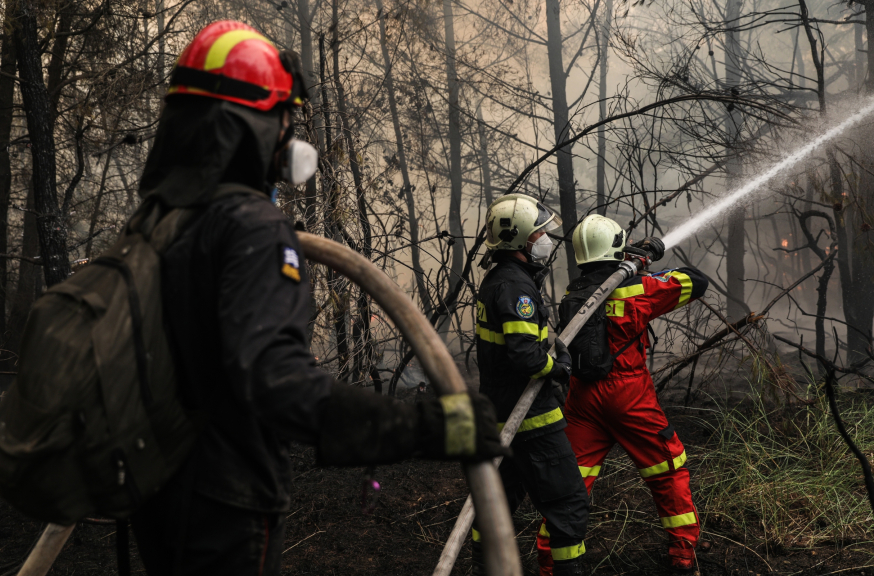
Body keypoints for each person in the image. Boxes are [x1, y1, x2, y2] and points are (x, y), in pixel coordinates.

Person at [130, 20, 506, 576]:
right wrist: (428, 426)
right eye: (284, 117)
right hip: (226, 508)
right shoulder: (249, 227)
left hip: (160, 497)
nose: (290, 135)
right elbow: (275, 381)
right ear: (252, 123)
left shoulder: (158, 224)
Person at [536, 215, 709, 573]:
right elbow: (696, 281)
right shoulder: (638, 289)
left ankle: (550, 563)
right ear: (617, 247)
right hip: (629, 396)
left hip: (582, 399)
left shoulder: (573, 293)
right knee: (668, 468)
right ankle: (682, 553)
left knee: (570, 484)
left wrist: (630, 263)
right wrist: (644, 260)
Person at [472, 194, 590, 576]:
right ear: (521, 239)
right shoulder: (515, 288)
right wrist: (557, 368)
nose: (545, 238)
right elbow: (526, 358)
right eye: (540, 231)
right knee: (568, 502)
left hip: (501, 414)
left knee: (497, 504)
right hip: (530, 419)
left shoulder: (502, 280)